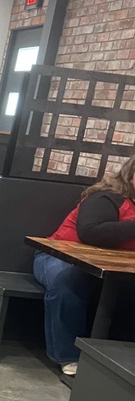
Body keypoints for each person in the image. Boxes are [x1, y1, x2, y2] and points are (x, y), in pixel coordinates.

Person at [33, 153, 135, 377]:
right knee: (66, 282)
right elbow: (91, 232)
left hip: (113, 268)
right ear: (130, 174)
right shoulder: (107, 197)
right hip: (59, 256)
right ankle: (68, 356)